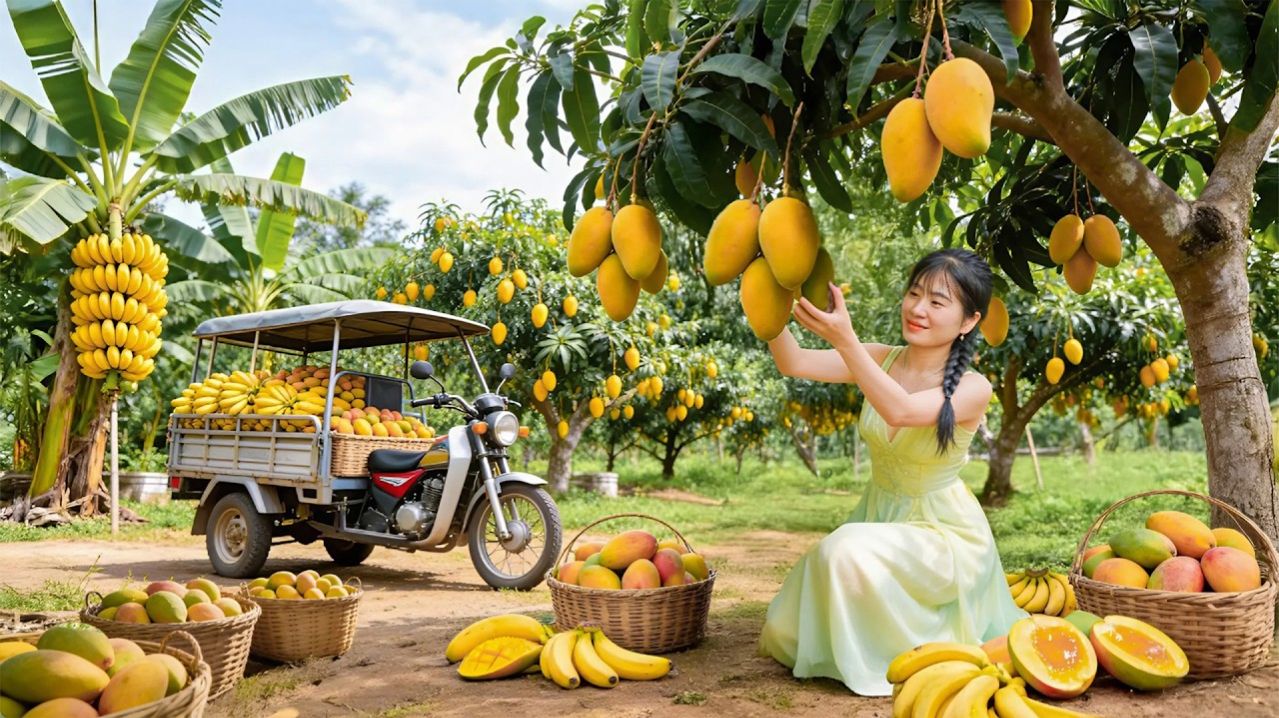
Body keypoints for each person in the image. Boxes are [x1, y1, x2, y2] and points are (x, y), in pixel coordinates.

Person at [757, 248, 1026, 696]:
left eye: (938, 302)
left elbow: (899, 410)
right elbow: (794, 362)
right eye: (914, 293)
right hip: (883, 516)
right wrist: (766, 290)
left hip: (944, 538)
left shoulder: (974, 388)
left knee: (842, 549)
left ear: (968, 321)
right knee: (829, 562)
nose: (918, 309)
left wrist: (846, 340)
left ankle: (893, 656)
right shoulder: (883, 358)